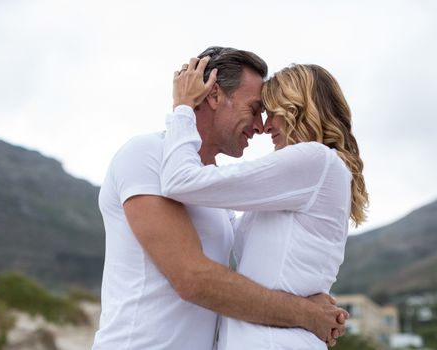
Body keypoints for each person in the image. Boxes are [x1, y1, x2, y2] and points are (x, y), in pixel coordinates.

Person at [92, 47, 347, 350]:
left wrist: (312, 293)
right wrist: (307, 313)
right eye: (253, 108)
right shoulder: (146, 154)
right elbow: (193, 279)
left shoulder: (215, 191)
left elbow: (264, 259)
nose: (259, 126)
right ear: (214, 96)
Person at [160, 61, 368, 349]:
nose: (266, 126)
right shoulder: (313, 175)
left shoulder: (315, 160)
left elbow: (180, 181)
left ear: (299, 109)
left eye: (274, 114)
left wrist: (182, 109)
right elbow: (226, 216)